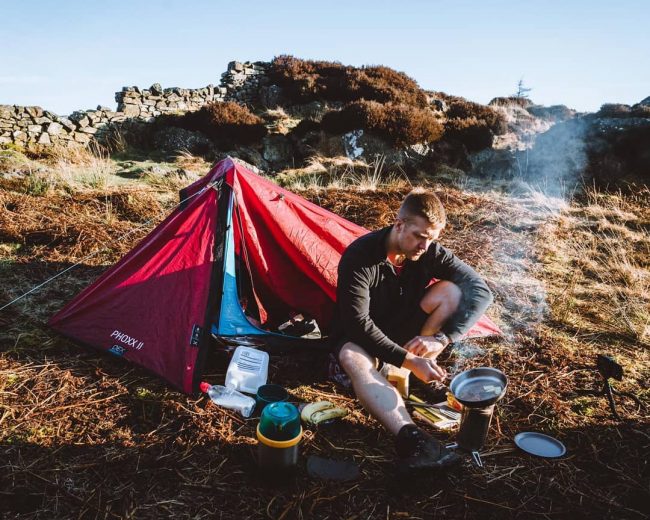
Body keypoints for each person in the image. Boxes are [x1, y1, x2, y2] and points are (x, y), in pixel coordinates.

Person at [333, 188, 493, 472]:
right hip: (365, 337)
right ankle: (414, 438)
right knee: (350, 357)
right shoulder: (360, 257)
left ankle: (419, 365)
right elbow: (357, 325)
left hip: (406, 331)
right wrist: (407, 359)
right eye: (419, 236)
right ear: (399, 225)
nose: (424, 245)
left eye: (431, 238)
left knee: (452, 291)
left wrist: (441, 340)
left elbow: (481, 290)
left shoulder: (429, 251)